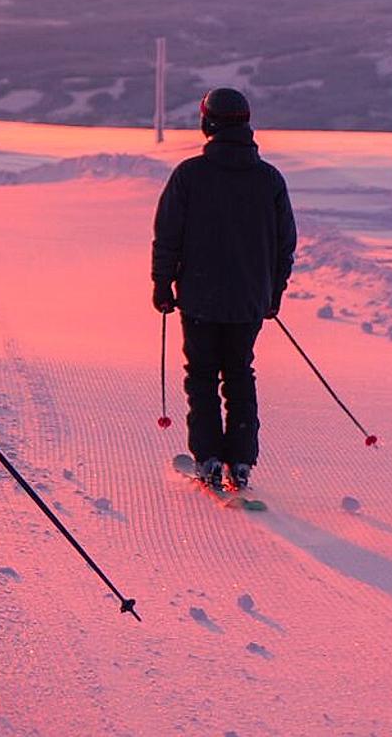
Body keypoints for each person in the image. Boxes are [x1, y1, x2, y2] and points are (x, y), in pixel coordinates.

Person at [152, 87, 298, 492]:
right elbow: (285, 245)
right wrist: (273, 294)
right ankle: (242, 461)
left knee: (201, 377)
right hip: (250, 300)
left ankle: (210, 458)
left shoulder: (189, 175)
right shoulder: (269, 179)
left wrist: (163, 285)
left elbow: (168, 236)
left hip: (199, 298)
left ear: (207, 123)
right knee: (239, 374)